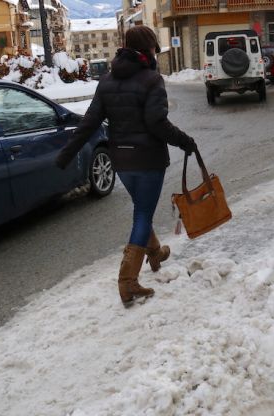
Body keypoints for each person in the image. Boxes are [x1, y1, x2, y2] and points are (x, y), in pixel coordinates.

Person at [55, 26, 197, 307]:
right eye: (155, 47)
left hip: (121, 160)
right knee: (142, 215)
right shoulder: (151, 79)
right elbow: (158, 123)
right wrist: (185, 141)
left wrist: (66, 154)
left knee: (141, 209)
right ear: (148, 49)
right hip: (147, 159)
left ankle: (154, 253)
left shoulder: (106, 81)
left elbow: (89, 123)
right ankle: (128, 281)